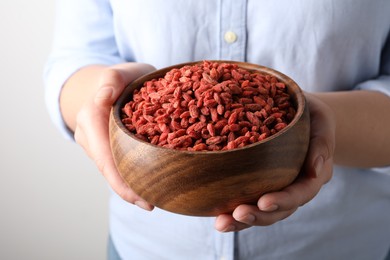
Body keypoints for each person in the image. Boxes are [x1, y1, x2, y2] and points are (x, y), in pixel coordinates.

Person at [44, 1, 390, 259]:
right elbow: (76, 58)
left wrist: (310, 128)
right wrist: (102, 98)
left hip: (336, 243)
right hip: (147, 247)